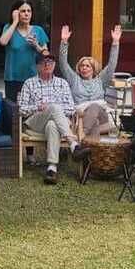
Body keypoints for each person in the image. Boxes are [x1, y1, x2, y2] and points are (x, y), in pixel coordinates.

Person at [17, 51, 89, 185]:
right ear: (37, 66)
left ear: (54, 65)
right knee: (54, 108)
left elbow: (71, 108)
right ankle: (73, 144)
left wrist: (54, 109)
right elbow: (21, 109)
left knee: (52, 124)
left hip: (58, 123)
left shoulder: (63, 83)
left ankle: (51, 168)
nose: (47, 65)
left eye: (50, 62)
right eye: (44, 62)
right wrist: (38, 107)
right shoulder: (29, 83)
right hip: (35, 123)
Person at [58, 23, 123, 139]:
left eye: (88, 66)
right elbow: (63, 64)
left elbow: (112, 64)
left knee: (94, 106)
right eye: (82, 66)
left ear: (93, 69)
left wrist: (115, 43)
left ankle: (81, 134)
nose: (84, 68)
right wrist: (64, 42)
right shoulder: (74, 79)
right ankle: (91, 154)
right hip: (80, 117)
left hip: (102, 116)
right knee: (95, 125)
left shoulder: (100, 80)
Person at [0, 0, 49, 101]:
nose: (26, 14)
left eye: (29, 11)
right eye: (23, 11)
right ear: (16, 13)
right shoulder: (9, 27)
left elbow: (46, 54)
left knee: (32, 108)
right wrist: (15, 22)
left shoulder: (38, 30)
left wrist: (36, 45)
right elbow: (3, 42)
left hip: (32, 77)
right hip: (12, 77)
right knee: (12, 109)